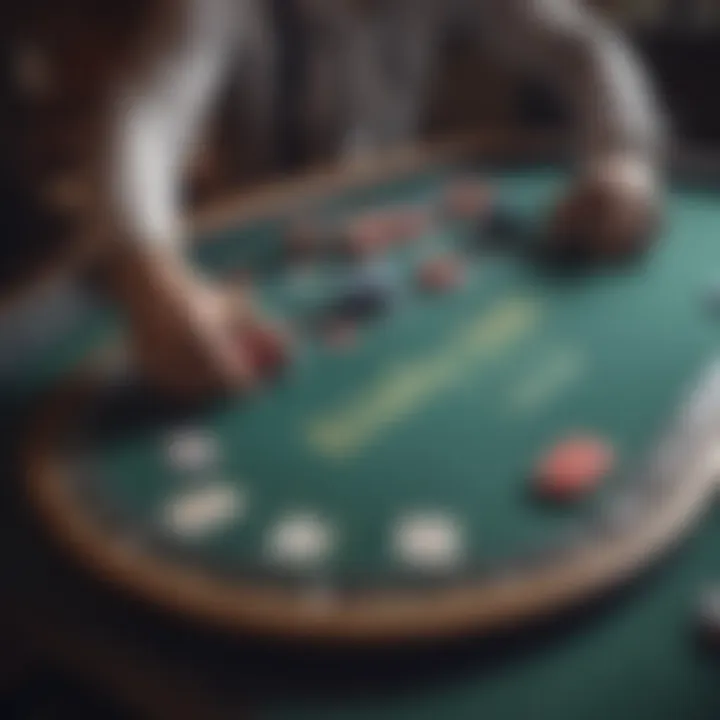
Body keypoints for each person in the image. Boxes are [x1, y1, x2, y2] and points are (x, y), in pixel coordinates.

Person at [31, 0, 668, 399]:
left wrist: (624, 156)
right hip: (265, 257)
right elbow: (150, 110)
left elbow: (579, 46)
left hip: (397, 227)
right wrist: (150, 273)